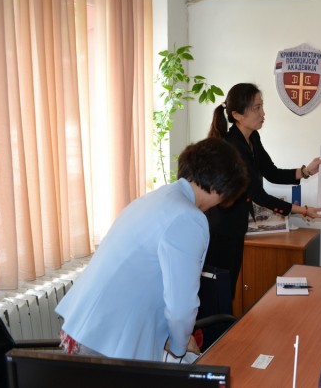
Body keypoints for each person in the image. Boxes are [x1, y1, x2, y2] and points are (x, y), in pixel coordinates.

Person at [55, 138, 248, 361]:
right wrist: (179, 345)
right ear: (220, 188)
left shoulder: (158, 197)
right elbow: (181, 305)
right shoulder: (189, 218)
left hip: (88, 325)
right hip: (109, 338)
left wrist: (170, 338)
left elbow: (145, 277)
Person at [206, 83, 321, 298]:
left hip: (235, 227)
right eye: (256, 108)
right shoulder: (233, 146)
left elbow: (272, 173)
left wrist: (307, 170)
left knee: (227, 289)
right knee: (220, 291)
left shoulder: (252, 138)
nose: (263, 114)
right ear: (237, 115)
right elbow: (258, 195)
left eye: (262, 106)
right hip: (221, 230)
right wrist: (302, 210)